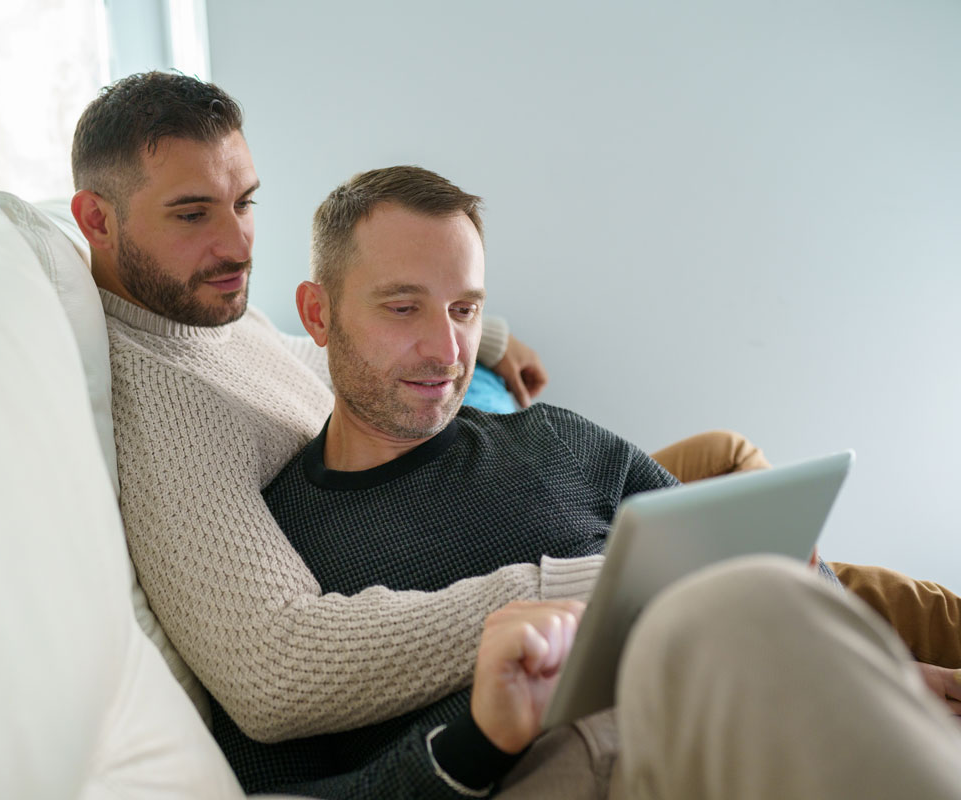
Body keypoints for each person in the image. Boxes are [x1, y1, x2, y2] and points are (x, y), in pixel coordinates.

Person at [67, 70, 959, 782]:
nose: (236, 243)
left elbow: (331, 341)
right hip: (479, 591)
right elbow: (278, 675)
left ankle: (878, 656)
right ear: (96, 220)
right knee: (728, 570)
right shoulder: (157, 408)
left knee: (750, 512)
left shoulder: (211, 311)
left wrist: (472, 332)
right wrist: (580, 593)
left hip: (462, 471)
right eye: (193, 213)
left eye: (246, 202)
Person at [246, 164, 961, 797]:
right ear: (318, 313)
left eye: (465, 309)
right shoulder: (285, 544)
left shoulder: (554, 438)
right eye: (403, 308)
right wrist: (479, 739)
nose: (447, 349)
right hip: (555, 764)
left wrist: (876, 669)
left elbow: (752, 555)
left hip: (717, 707)